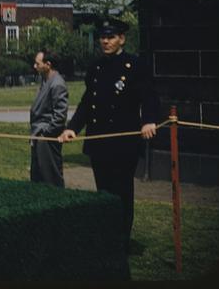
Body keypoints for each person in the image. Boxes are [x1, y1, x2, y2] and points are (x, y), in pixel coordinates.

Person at [58, 16, 159, 253]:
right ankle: (107, 238)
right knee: (103, 192)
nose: (105, 41)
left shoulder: (134, 66)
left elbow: (150, 96)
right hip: (99, 143)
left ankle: (121, 242)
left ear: (121, 39)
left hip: (123, 143)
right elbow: (87, 103)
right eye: (102, 37)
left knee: (122, 193)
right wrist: (72, 127)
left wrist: (149, 121)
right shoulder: (96, 68)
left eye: (110, 37)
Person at [29, 49, 68, 187]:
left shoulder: (57, 84)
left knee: (50, 177)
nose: (35, 66)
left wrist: (45, 134)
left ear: (48, 64)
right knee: (37, 176)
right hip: (39, 136)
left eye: (37, 63)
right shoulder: (45, 80)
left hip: (47, 139)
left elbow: (60, 115)